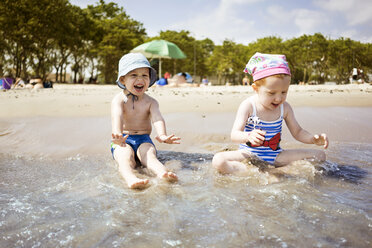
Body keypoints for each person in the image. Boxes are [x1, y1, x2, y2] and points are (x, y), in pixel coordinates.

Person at [212, 52, 329, 175]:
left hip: (276, 155)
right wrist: (248, 136)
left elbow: (298, 132)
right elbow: (234, 135)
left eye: (284, 92)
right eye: (271, 93)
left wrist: (313, 139)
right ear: (256, 89)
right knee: (218, 160)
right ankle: (252, 170)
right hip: (249, 155)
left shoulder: (285, 108)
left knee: (320, 155)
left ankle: (271, 171)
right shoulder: (249, 106)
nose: (278, 99)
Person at [111, 53, 180, 189]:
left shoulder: (151, 102)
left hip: (144, 139)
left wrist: (162, 135)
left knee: (149, 157)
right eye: (134, 75)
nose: (140, 79)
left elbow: (157, 118)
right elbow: (117, 116)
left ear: (150, 79)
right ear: (123, 80)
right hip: (123, 140)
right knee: (125, 159)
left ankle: (163, 174)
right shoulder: (118, 100)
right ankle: (130, 178)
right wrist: (117, 134)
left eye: (144, 75)